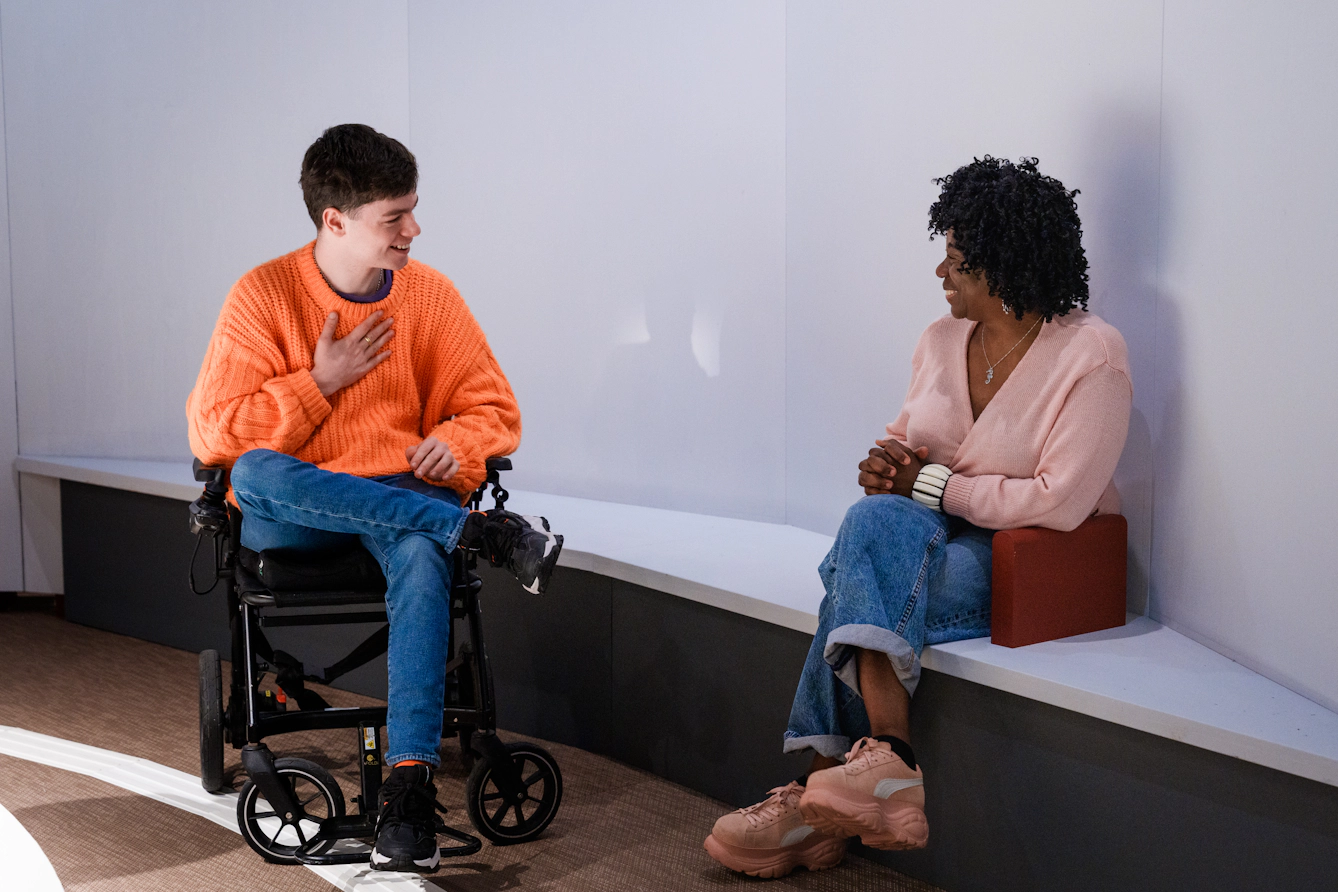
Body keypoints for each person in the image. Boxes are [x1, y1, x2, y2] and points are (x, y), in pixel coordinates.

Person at [704, 156, 1132, 879]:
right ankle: (888, 763)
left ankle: (818, 796)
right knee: (868, 531)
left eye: (957, 260)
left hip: (1018, 565)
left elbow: (1060, 501)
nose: (941, 272)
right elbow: (909, 440)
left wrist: (930, 484)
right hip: (925, 545)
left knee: (854, 576)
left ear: (1005, 267)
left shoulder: (1092, 355)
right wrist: (886, 468)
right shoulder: (938, 340)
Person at [186, 124, 563, 873]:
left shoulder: (429, 297)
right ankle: (478, 531)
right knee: (255, 471)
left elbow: (494, 411)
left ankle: (409, 787)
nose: (413, 230)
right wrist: (317, 384)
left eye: (412, 211)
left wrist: (456, 444)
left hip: (398, 497)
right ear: (336, 221)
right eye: (396, 217)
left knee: (422, 555)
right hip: (295, 510)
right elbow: (212, 432)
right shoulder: (262, 296)